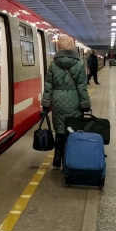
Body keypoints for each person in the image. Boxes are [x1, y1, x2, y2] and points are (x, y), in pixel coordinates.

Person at [41, 36, 91, 168]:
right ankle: (70, 157)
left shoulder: (53, 65)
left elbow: (48, 86)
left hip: (57, 100)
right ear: (72, 48)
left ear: (59, 48)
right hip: (73, 99)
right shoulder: (79, 64)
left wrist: (46, 103)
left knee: (59, 128)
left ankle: (58, 153)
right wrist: (85, 103)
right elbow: (82, 86)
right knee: (71, 128)